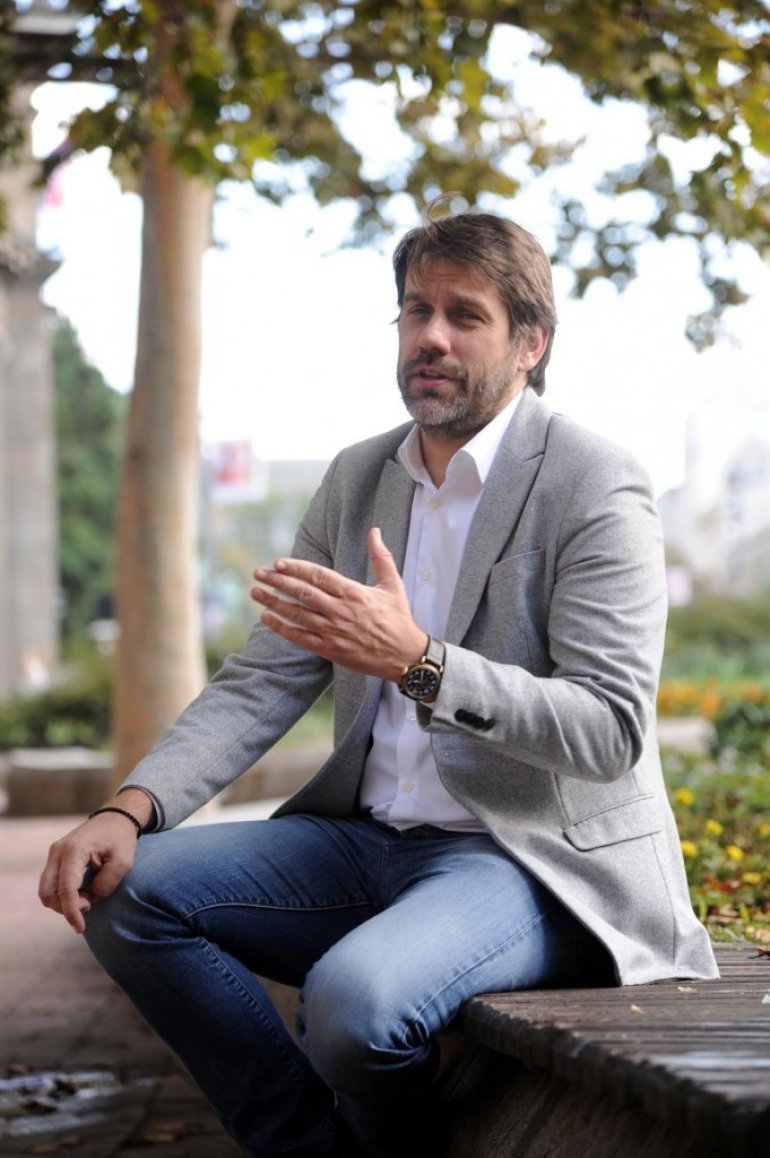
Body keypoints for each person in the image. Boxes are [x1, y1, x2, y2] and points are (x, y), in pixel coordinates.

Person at [39, 208, 718, 1157]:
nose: (431, 336)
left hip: (526, 858)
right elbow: (264, 678)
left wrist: (420, 662)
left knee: (352, 1010)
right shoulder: (358, 477)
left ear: (531, 344)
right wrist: (131, 807)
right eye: (415, 311)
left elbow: (608, 729)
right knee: (124, 890)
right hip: (362, 843)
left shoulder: (593, 482)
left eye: (465, 315)